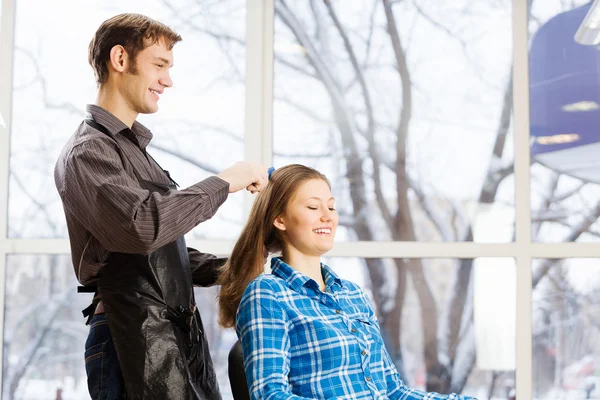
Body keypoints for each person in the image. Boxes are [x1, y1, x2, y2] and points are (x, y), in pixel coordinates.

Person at [54, 13, 268, 400]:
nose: (168, 80)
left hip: (172, 333)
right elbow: (142, 227)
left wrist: (247, 261)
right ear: (120, 59)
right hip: (129, 338)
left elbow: (164, 252)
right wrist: (225, 181)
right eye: (159, 65)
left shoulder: (137, 154)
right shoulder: (88, 152)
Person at [217, 164, 477, 400]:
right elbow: (269, 395)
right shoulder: (268, 293)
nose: (327, 216)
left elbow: (392, 390)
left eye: (331, 207)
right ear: (280, 219)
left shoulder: (352, 294)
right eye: (312, 207)